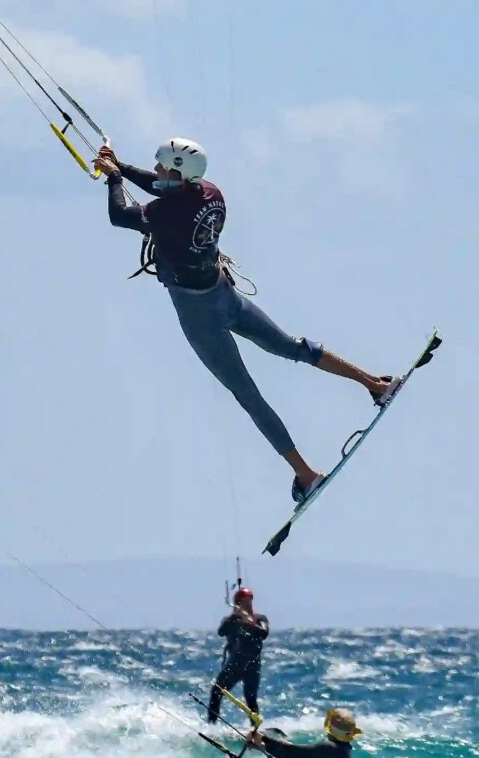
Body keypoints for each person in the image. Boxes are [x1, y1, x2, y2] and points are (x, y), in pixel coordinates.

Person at [93, 138, 399, 504]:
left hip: (199, 314)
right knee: (292, 347)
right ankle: (376, 385)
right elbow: (163, 188)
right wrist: (121, 167)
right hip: (225, 296)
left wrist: (113, 180)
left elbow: (120, 216)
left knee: (248, 394)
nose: (157, 172)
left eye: (162, 167)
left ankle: (305, 474)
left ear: (177, 174)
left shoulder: (166, 214)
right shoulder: (209, 192)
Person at [207, 586, 268, 724]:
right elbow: (221, 631)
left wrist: (248, 622)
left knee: (250, 698)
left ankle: (255, 729)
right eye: (244, 601)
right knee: (217, 691)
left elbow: (264, 633)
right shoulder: (232, 620)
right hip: (235, 664)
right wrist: (236, 616)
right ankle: (211, 725)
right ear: (238, 603)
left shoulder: (259, 618)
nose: (248, 604)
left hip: (252, 665)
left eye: (249, 601)